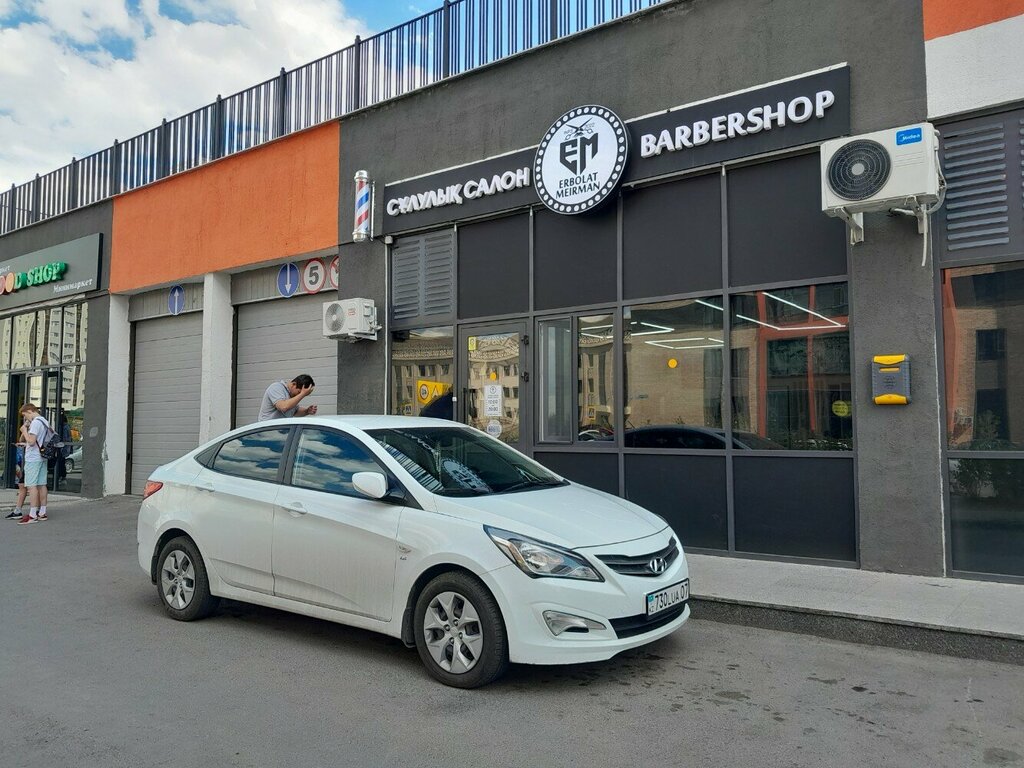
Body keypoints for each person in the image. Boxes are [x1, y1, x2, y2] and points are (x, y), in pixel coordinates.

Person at [17, 403, 52, 524]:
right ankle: (42, 512)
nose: (26, 418)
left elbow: (31, 441)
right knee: (42, 484)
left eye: (25, 415)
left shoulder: (36, 422)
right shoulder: (45, 421)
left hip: (33, 458)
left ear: (30, 411)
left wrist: (24, 430)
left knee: (31, 486)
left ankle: (32, 514)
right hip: (42, 457)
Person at [4, 444, 28, 520]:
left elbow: (31, 442)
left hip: (33, 460)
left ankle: (36, 510)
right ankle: (18, 510)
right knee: (22, 484)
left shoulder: (35, 432)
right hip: (31, 460)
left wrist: (24, 432)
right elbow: (22, 440)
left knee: (33, 486)